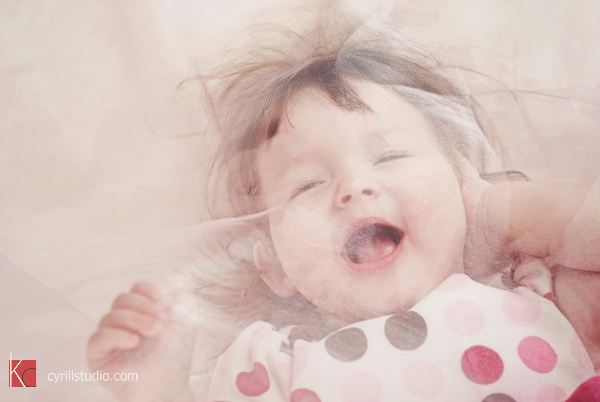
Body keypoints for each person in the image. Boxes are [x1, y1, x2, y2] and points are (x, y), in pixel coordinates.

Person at [87, 14, 600, 402]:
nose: (354, 186)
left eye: (391, 156)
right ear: (273, 264)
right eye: (308, 185)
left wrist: (498, 210)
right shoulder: (267, 364)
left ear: (461, 179)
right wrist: (159, 389)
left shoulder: (540, 292)